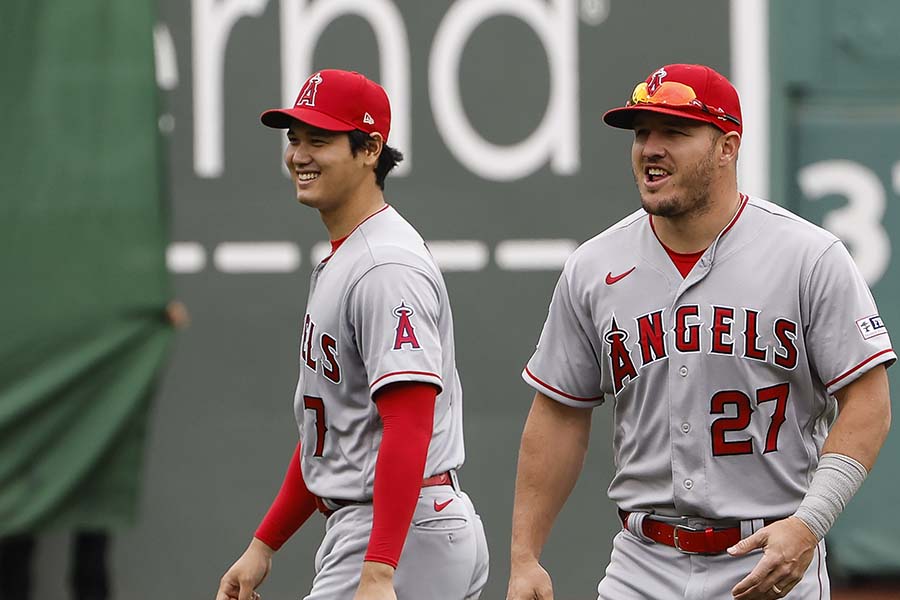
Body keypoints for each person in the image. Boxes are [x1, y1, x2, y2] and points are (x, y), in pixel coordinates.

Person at [506, 63, 893, 600]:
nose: (650, 148)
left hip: (769, 559)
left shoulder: (808, 256)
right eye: (642, 132)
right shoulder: (595, 265)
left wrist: (811, 523)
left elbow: (868, 402)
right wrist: (525, 556)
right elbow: (558, 412)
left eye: (675, 132)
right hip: (642, 564)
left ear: (727, 147)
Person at [214, 69, 489, 600]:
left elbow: (408, 420)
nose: (299, 155)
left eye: (320, 139)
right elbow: (333, 435)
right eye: (294, 139)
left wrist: (381, 568)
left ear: (370, 150)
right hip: (397, 529)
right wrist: (263, 546)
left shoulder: (383, 265)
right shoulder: (353, 254)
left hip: (400, 536)